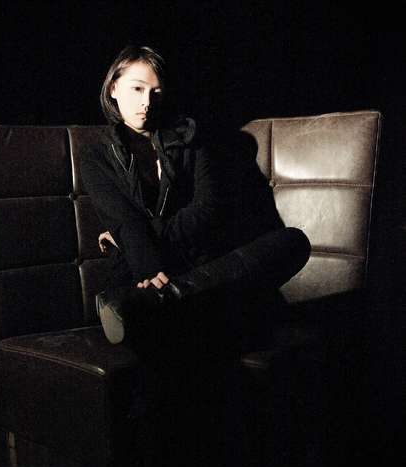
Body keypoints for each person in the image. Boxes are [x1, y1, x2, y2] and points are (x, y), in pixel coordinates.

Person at [80, 45, 311, 346]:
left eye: (156, 92)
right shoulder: (96, 156)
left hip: (203, 267)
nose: (146, 102)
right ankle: (170, 309)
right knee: (230, 313)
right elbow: (126, 222)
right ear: (113, 88)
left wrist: (132, 235)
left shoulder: (190, 139)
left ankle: (162, 304)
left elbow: (207, 210)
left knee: (292, 241)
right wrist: (147, 266)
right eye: (137, 89)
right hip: (141, 270)